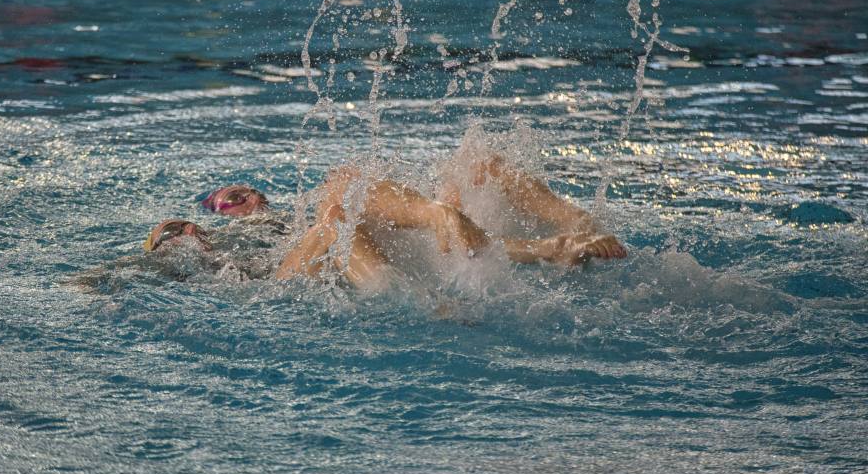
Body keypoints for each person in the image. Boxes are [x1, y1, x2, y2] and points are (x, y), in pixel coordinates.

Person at [140, 152, 626, 292]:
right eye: (235, 197)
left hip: (341, 245)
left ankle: (571, 231)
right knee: (334, 213)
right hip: (281, 279)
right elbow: (138, 263)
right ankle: (415, 298)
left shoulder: (289, 216)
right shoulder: (216, 243)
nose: (253, 197)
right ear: (203, 220)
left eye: (252, 190)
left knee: (478, 163)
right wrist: (175, 239)